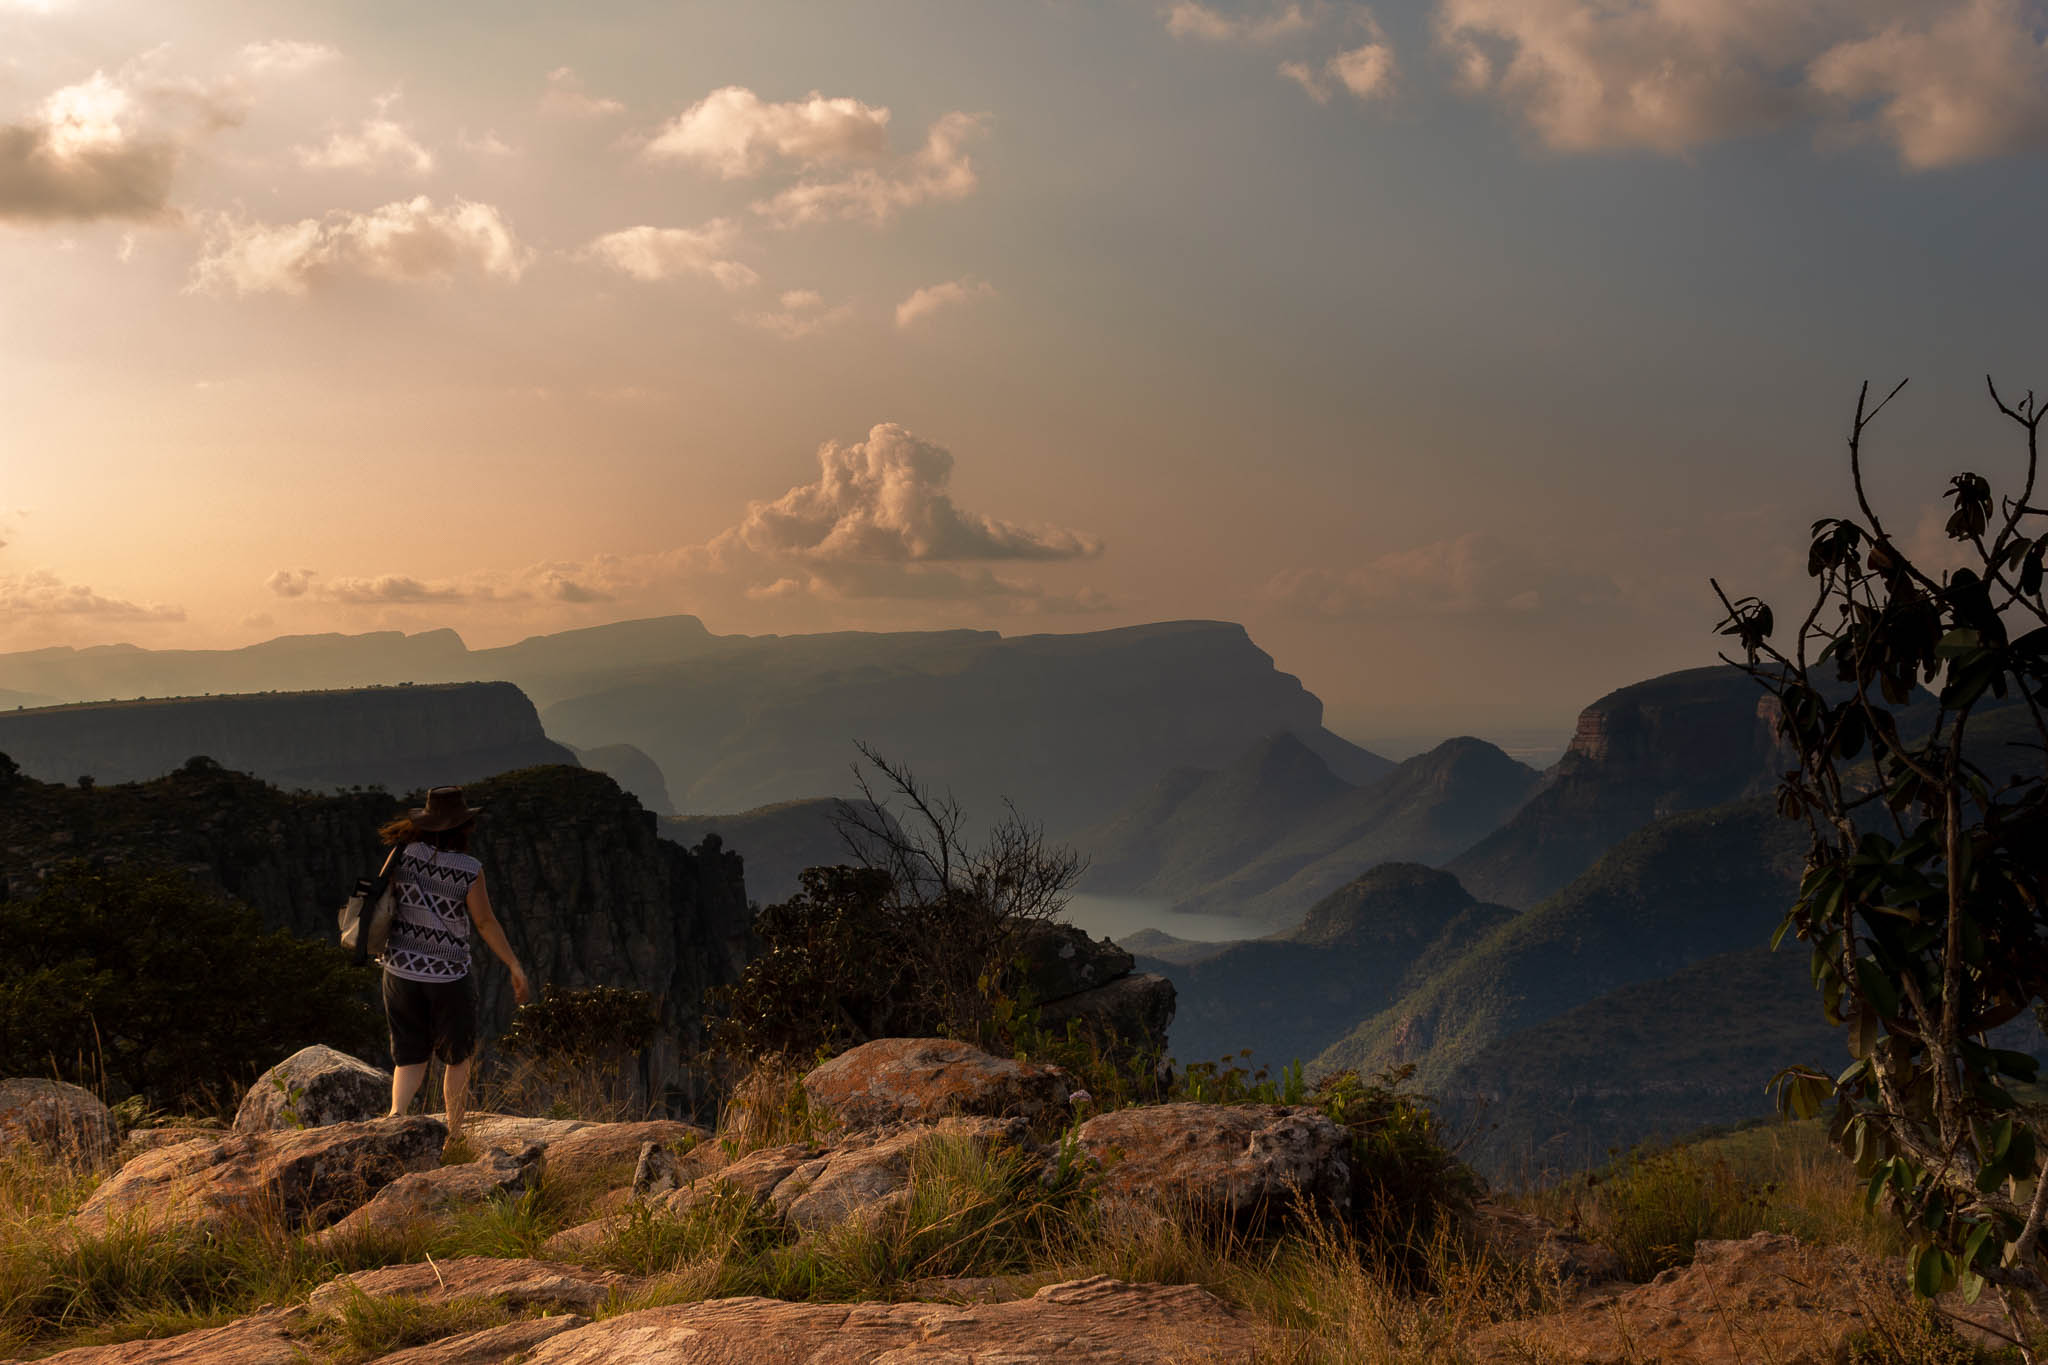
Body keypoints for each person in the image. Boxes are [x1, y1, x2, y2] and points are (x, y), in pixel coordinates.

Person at [375, 785, 531, 1151]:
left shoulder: (403, 854)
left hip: (399, 972)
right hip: (447, 976)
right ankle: (455, 1136)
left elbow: (383, 901)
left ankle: (395, 1120)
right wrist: (514, 965)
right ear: (462, 826)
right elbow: (485, 923)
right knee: (456, 1056)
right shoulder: (469, 869)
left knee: (409, 1053)